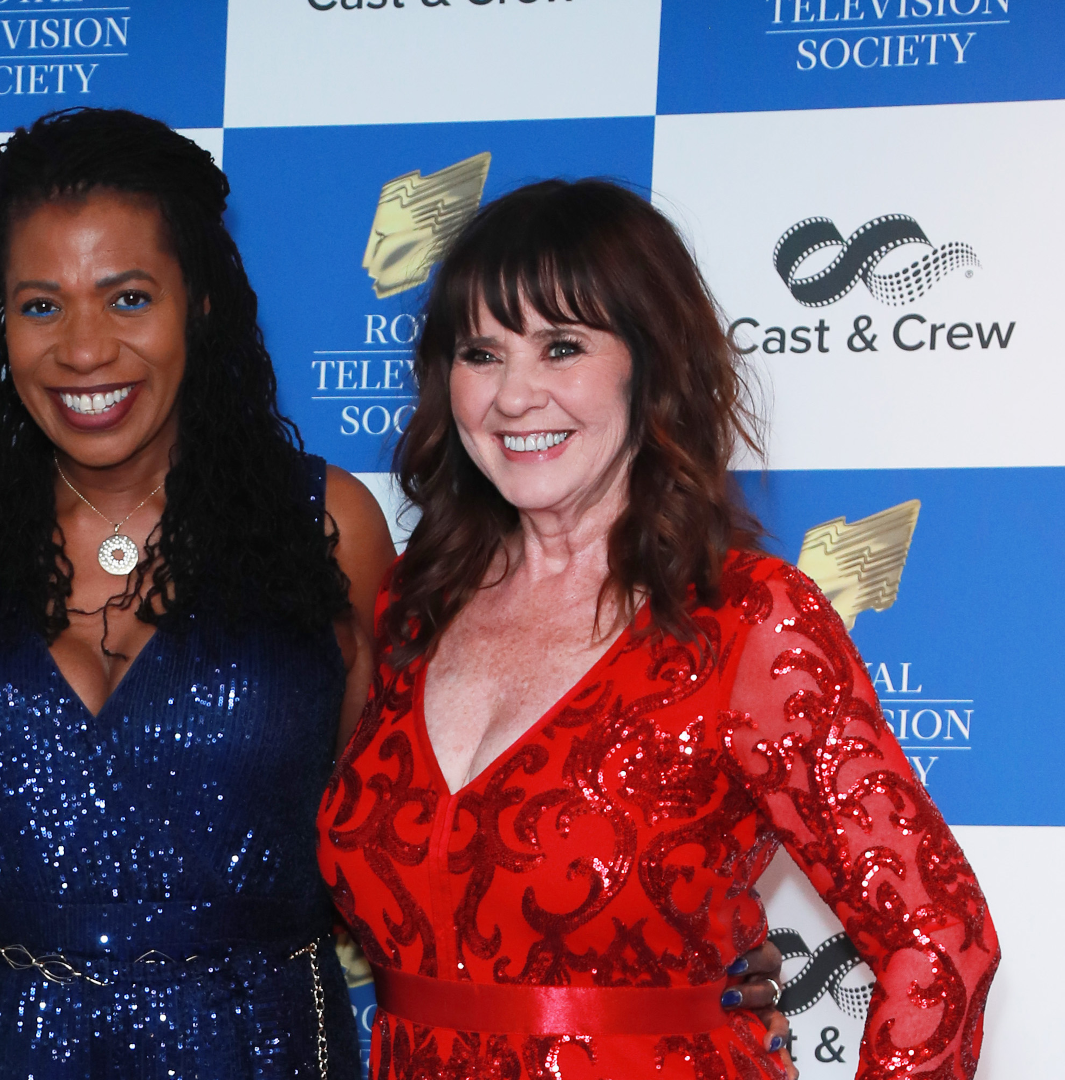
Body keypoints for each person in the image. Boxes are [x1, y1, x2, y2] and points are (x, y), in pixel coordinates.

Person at [0, 109, 787, 1078]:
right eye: (40, 305)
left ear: (203, 302)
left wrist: (652, 960)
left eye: (129, 297)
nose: (84, 348)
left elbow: (418, 821)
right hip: (2, 1051)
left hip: (259, 1052)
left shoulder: (324, 525)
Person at [318, 178, 1000, 1079]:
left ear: (653, 365)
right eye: (480, 354)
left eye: (561, 347)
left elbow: (941, 940)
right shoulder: (413, 604)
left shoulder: (748, 621)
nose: (513, 396)